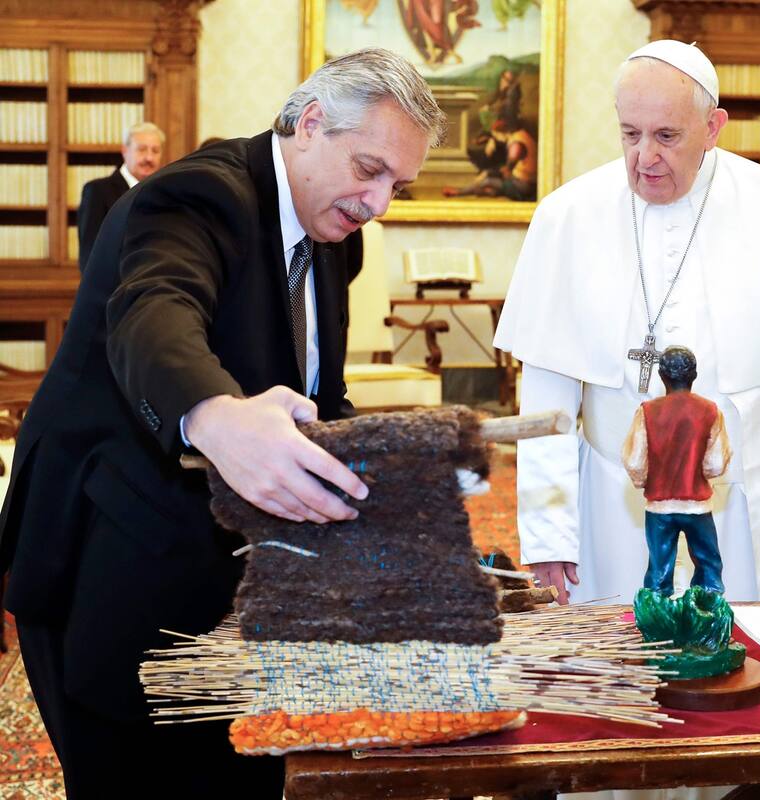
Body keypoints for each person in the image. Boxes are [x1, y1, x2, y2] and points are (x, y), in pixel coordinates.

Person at [0, 48, 444, 798]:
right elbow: (155, 312)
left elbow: (316, 394)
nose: (379, 203)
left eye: (396, 186)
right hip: (113, 566)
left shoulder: (333, 233)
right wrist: (214, 415)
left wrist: (381, 470)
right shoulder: (200, 194)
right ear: (311, 123)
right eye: (369, 170)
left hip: (230, 579)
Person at [495, 40, 760, 609]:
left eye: (667, 136)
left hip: (752, 511)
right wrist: (549, 534)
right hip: (612, 516)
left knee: (749, 655)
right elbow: (546, 402)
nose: (644, 157)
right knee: (619, 656)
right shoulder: (566, 217)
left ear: (713, 127)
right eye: (630, 134)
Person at [623, 346, 731, 596]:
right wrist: (698, 473)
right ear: (694, 375)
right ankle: (707, 607)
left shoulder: (647, 411)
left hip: (659, 507)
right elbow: (716, 463)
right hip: (697, 506)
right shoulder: (710, 410)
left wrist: (644, 481)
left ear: (662, 376)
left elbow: (635, 462)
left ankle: (657, 609)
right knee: (708, 564)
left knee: (659, 567)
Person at [76, 121, 165, 271]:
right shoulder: (98, 191)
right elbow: (89, 255)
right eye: (142, 150)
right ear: (124, 151)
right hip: (114, 284)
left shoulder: (165, 195)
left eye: (155, 151)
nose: (149, 158)